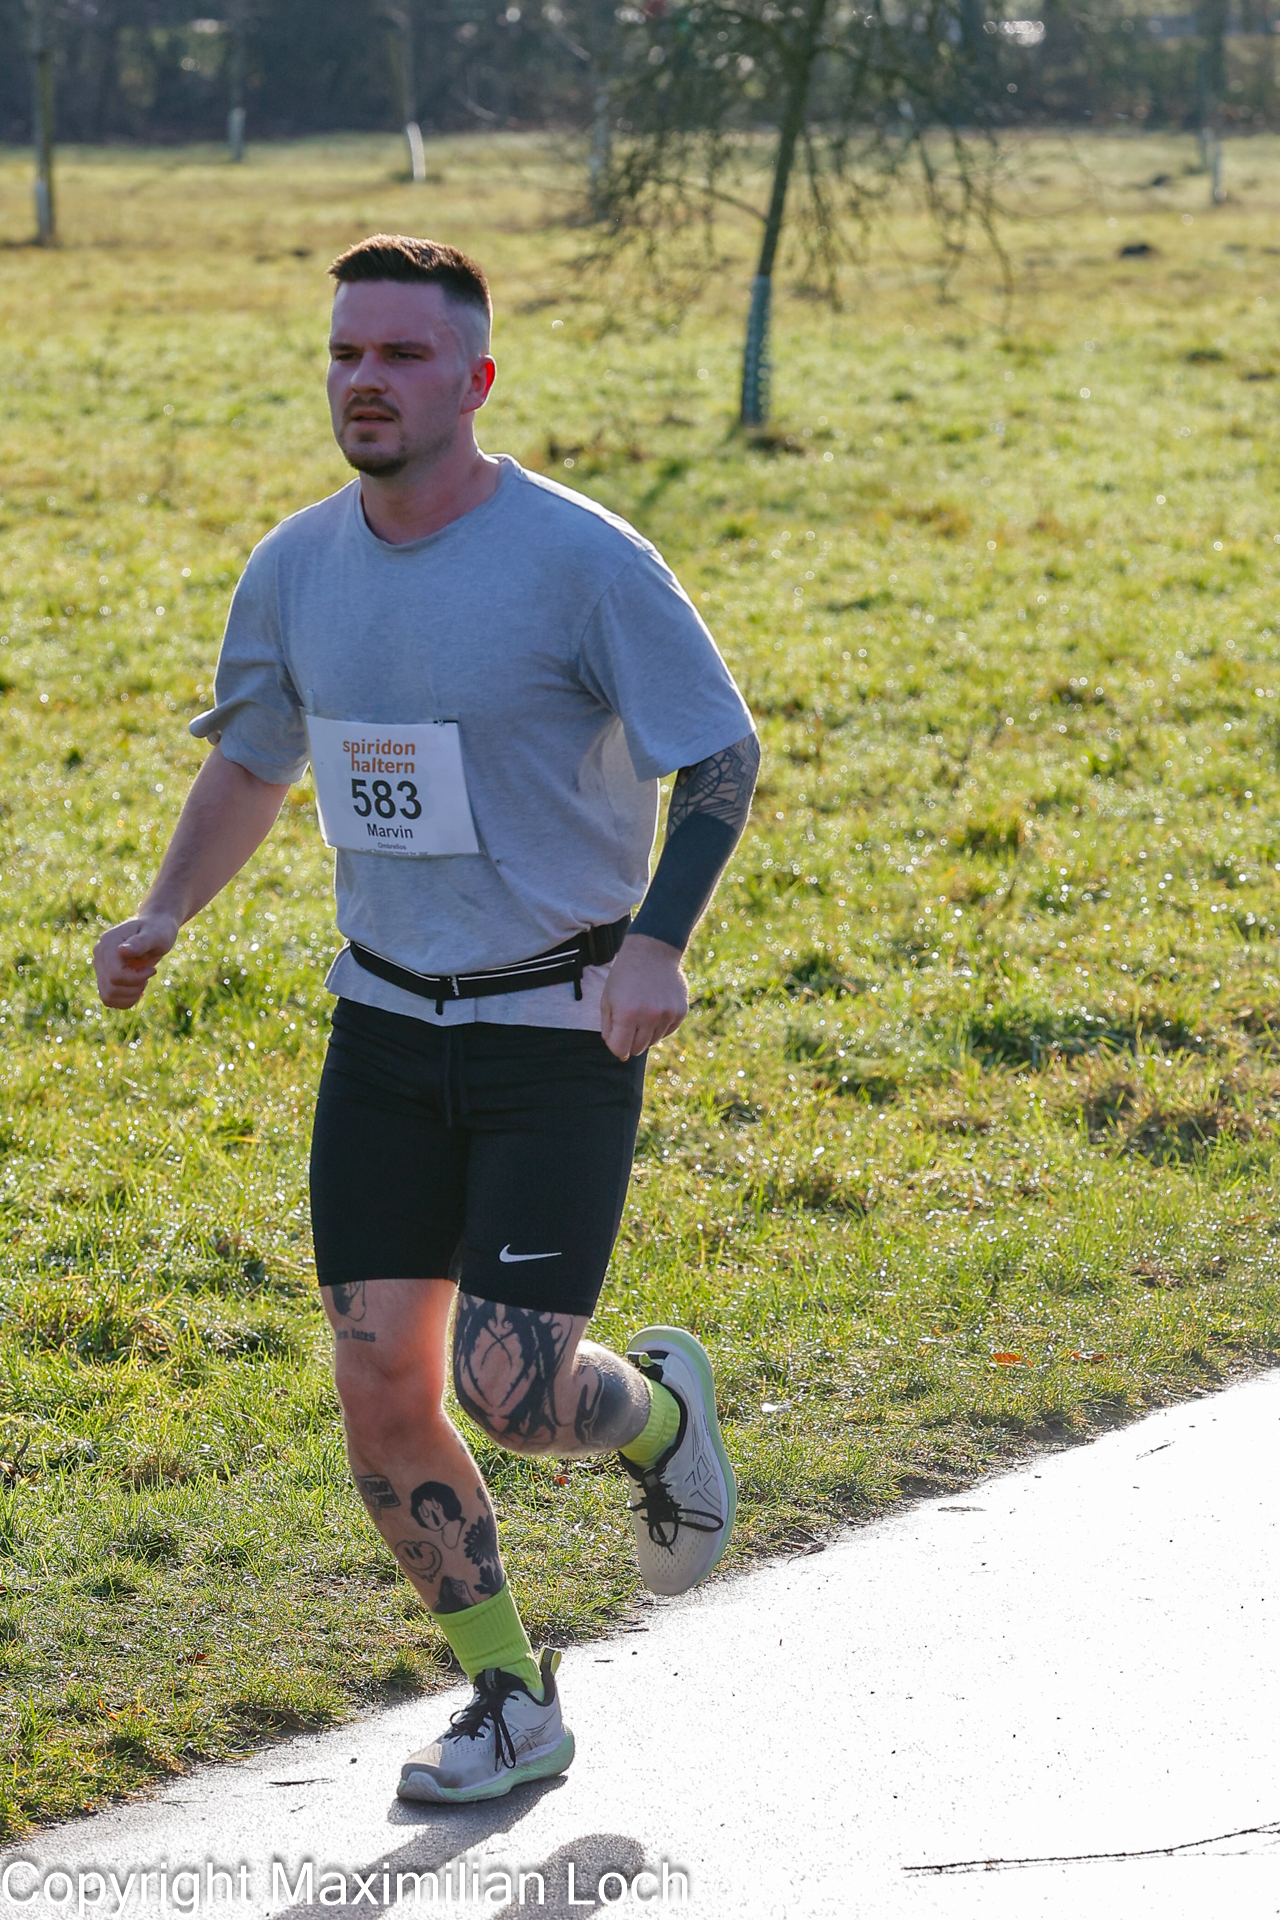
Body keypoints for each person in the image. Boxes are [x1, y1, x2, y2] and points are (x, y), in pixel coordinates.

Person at [93, 234, 759, 1806]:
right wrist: (165, 909)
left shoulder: (582, 561)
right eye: (345, 354)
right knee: (382, 1384)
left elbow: (720, 756)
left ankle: (658, 1413)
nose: (365, 381)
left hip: (557, 1026)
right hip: (385, 1025)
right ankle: (511, 1698)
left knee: (515, 1396)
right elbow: (256, 756)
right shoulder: (295, 567)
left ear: (475, 380)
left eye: (400, 355)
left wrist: (658, 945)